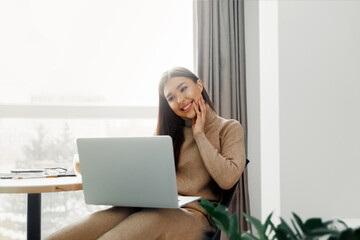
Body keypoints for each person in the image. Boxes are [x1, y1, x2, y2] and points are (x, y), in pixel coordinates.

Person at [46, 67, 246, 240]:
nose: (180, 99)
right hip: (153, 207)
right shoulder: (168, 132)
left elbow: (227, 179)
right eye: (171, 98)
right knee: (66, 236)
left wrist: (200, 135)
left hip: (196, 217)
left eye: (183, 88)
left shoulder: (228, 128)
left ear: (199, 85)